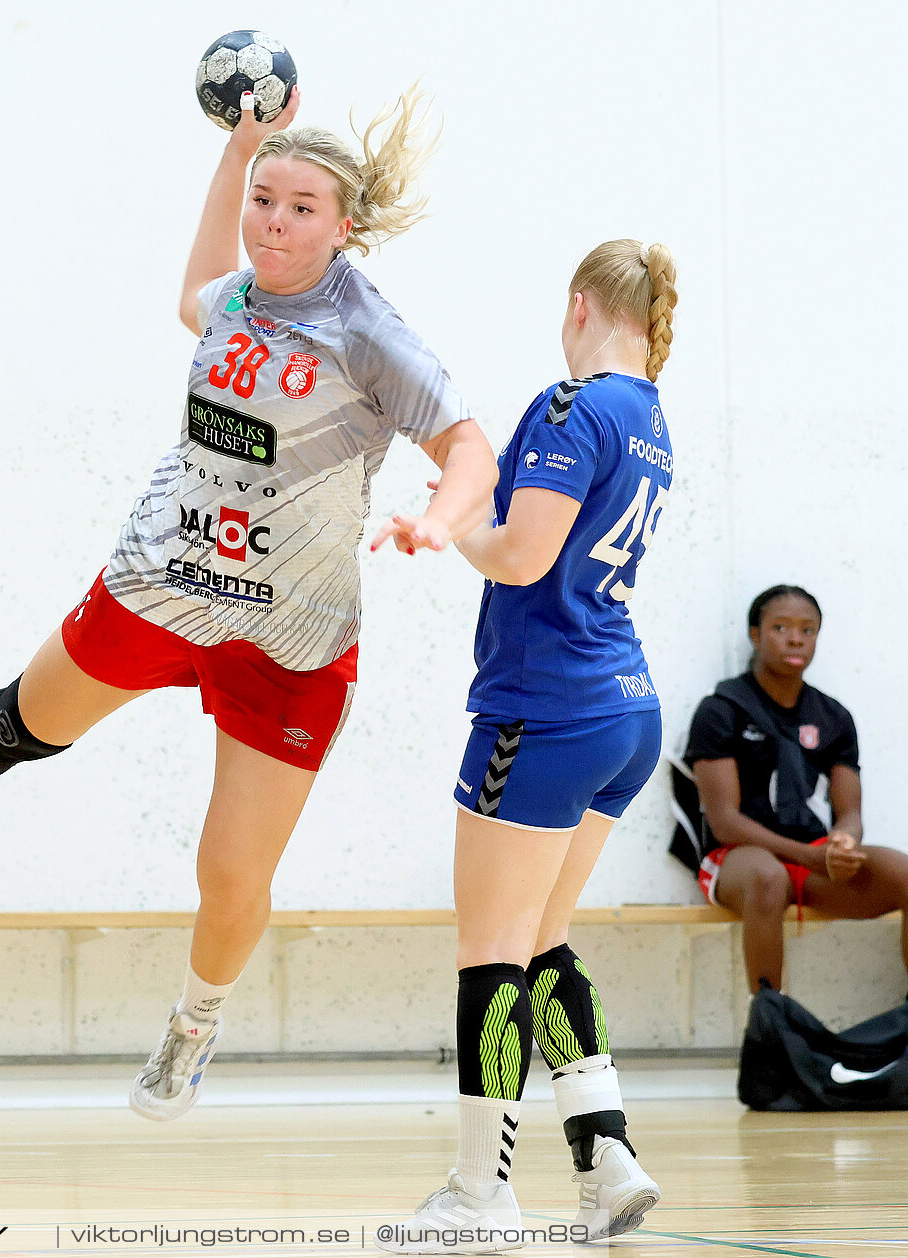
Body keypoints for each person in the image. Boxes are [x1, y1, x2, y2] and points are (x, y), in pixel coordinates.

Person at [0, 85, 499, 1121]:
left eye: (300, 206)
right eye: (264, 199)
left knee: (227, 872)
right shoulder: (231, 299)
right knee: (20, 722)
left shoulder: (370, 336)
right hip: (161, 581)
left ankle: (191, 1029)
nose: (273, 220)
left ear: (343, 225)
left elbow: (472, 449)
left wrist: (438, 521)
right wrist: (241, 148)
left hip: (292, 634)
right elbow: (192, 286)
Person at [377, 239, 677, 1252]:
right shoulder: (652, 421)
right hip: (624, 710)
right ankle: (610, 1162)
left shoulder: (572, 405)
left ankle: (479, 1191)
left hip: (543, 709)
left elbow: (518, 553)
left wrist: (441, 523)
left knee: (489, 949)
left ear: (580, 305)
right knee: (541, 937)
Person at [686, 585, 908, 992]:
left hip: (812, 856)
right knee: (769, 880)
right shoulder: (721, 709)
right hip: (739, 858)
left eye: (808, 630)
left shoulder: (833, 715)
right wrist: (810, 855)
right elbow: (725, 824)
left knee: (905, 874)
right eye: (781, 627)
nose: (795, 639)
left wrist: (842, 844)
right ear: (755, 634)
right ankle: (771, 1028)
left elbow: (849, 812)